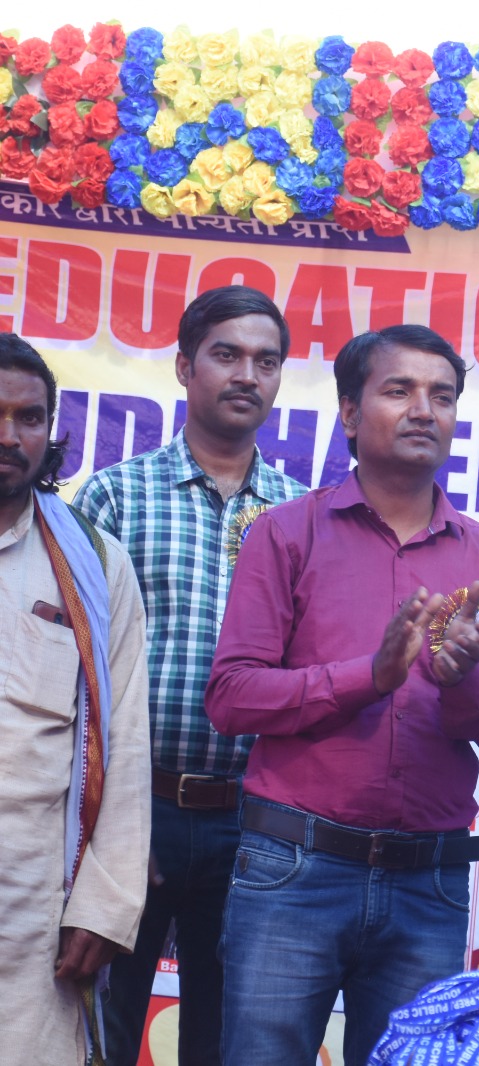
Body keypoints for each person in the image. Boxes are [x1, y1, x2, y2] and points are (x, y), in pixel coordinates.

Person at [205, 324, 479, 1066]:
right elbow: (232, 696)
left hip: (430, 883)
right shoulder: (286, 533)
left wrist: (463, 679)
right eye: (399, 391)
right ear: (349, 412)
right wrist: (368, 677)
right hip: (294, 868)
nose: (424, 410)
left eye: (442, 396)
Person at [75, 286, 306, 1066]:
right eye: (226, 355)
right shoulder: (115, 495)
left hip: (255, 821)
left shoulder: (300, 514)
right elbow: (77, 669)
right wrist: (105, 823)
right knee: (100, 1027)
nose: (247, 375)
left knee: (227, 1039)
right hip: (132, 808)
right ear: (184, 367)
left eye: (266, 361)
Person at [0, 335, 150, 1063]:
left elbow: (126, 741)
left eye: (29, 418)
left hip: (31, 907)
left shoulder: (93, 562)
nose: (10, 435)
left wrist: (105, 906)